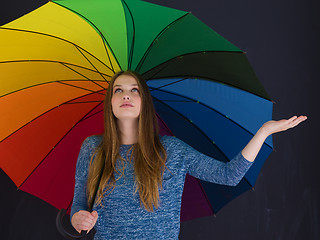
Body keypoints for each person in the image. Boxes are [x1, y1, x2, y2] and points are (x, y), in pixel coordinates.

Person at [70, 70, 307, 239]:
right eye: (118, 90)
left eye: (135, 90)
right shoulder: (93, 148)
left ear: (145, 102)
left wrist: (264, 131)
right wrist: (77, 218)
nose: (126, 95)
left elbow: (228, 175)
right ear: (110, 102)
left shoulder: (171, 150)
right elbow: (78, 205)